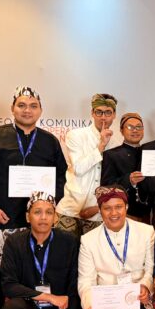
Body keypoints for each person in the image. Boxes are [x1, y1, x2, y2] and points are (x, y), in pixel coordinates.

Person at [0, 86, 67, 309]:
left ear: (41, 110)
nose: (27, 110)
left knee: (38, 273)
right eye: (22, 105)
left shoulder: (49, 142)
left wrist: (48, 210)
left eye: (33, 106)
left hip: (37, 224)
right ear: (12, 108)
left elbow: (60, 178)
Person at [0, 192, 82, 309]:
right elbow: (9, 286)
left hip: (60, 308)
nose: (43, 217)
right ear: (27, 217)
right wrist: (47, 297)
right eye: (37, 212)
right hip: (30, 303)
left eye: (49, 212)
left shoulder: (69, 242)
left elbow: (74, 283)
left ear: (55, 218)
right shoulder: (14, 242)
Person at [78, 186, 155, 309]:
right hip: (107, 300)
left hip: (137, 296)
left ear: (126, 207)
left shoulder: (146, 231)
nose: (114, 213)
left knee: (138, 307)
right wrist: (89, 306)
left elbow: (151, 268)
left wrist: (145, 286)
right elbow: (85, 281)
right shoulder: (88, 240)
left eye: (118, 207)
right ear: (100, 210)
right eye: (107, 208)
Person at [56, 94, 117, 236]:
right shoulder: (76, 135)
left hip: (98, 213)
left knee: (94, 250)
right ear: (92, 113)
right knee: (65, 249)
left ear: (114, 115)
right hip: (70, 209)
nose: (103, 117)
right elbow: (78, 169)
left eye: (108, 112)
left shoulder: (116, 143)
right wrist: (101, 146)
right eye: (99, 112)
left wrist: (98, 207)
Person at [102, 112, 151, 223]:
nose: (135, 130)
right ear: (121, 130)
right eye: (130, 127)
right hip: (125, 214)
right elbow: (106, 186)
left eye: (139, 127)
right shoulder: (111, 155)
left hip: (150, 214)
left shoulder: (150, 153)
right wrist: (128, 180)